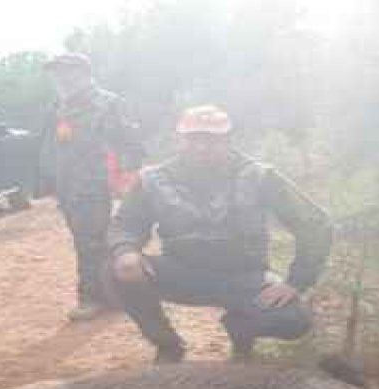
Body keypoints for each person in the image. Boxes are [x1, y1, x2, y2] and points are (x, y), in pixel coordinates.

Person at [108, 105, 333, 363]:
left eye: (212, 139)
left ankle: (241, 330)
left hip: (245, 276)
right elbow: (125, 223)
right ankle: (167, 345)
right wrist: (125, 250)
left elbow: (314, 223)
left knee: (294, 320)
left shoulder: (259, 175)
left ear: (228, 139)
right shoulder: (154, 179)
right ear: (180, 139)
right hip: (182, 271)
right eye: (194, 139)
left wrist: (296, 281)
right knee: (118, 271)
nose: (202, 147)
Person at [38, 52, 144, 321]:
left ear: (84, 73)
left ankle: (91, 298)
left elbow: (131, 142)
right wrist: (47, 180)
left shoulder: (108, 103)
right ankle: (116, 295)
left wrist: (127, 178)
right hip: (67, 186)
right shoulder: (57, 107)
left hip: (97, 184)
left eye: (68, 71)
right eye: (57, 72)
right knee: (88, 240)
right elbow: (49, 146)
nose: (62, 77)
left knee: (90, 242)